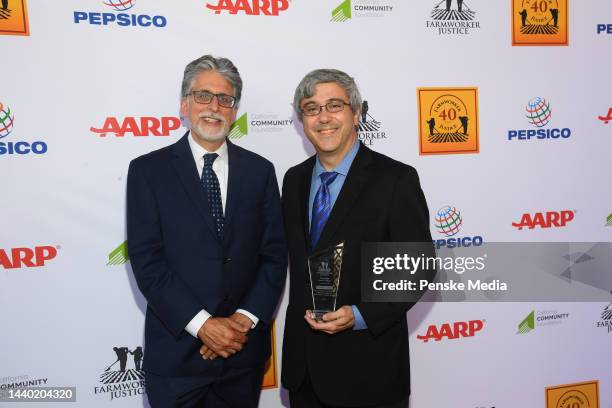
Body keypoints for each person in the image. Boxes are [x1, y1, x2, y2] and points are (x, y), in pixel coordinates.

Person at [127, 54, 287, 407]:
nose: (214, 107)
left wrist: (241, 321)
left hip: (241, 357)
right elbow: (147, 262)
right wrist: (203, 325)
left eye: (225, 99)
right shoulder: (147, 172)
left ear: (235, 110)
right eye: (203, 96)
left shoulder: (261, 172)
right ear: (184, 104)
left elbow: (274, 255)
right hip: (176, 360)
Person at [281, 69, 432, 407]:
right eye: (311, 108)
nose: (323, 117)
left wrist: (360, 315)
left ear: (356, 112)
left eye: (334, 105)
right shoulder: (293, 181)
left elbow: (418, 267)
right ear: (302, 120)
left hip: (369, 373)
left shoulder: (396, 179)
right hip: (303, 371)